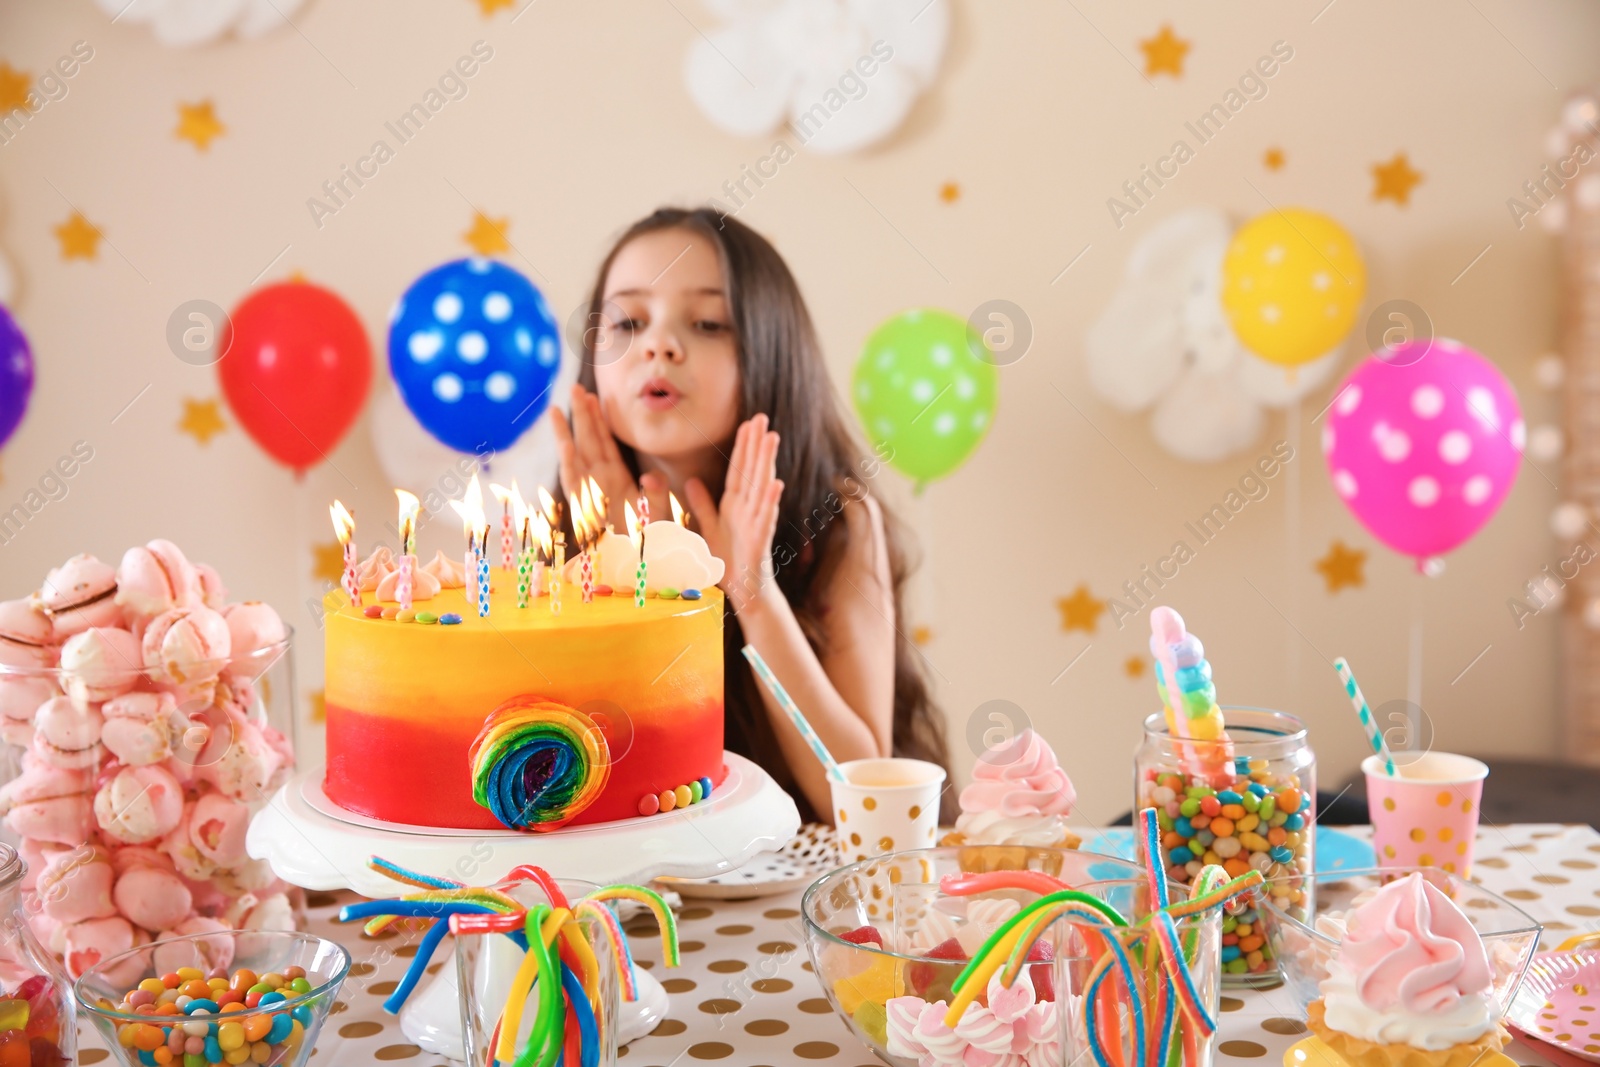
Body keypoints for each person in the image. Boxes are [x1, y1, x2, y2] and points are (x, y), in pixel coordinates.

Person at [551, 206, 949, 824]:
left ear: (773, 352)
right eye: (628, 320)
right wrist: (632, 569)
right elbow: (568, 784)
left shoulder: (835, 522)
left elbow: (858, 798)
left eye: (708, 322)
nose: (659, 344)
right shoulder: (560, 529)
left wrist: (751, 587)